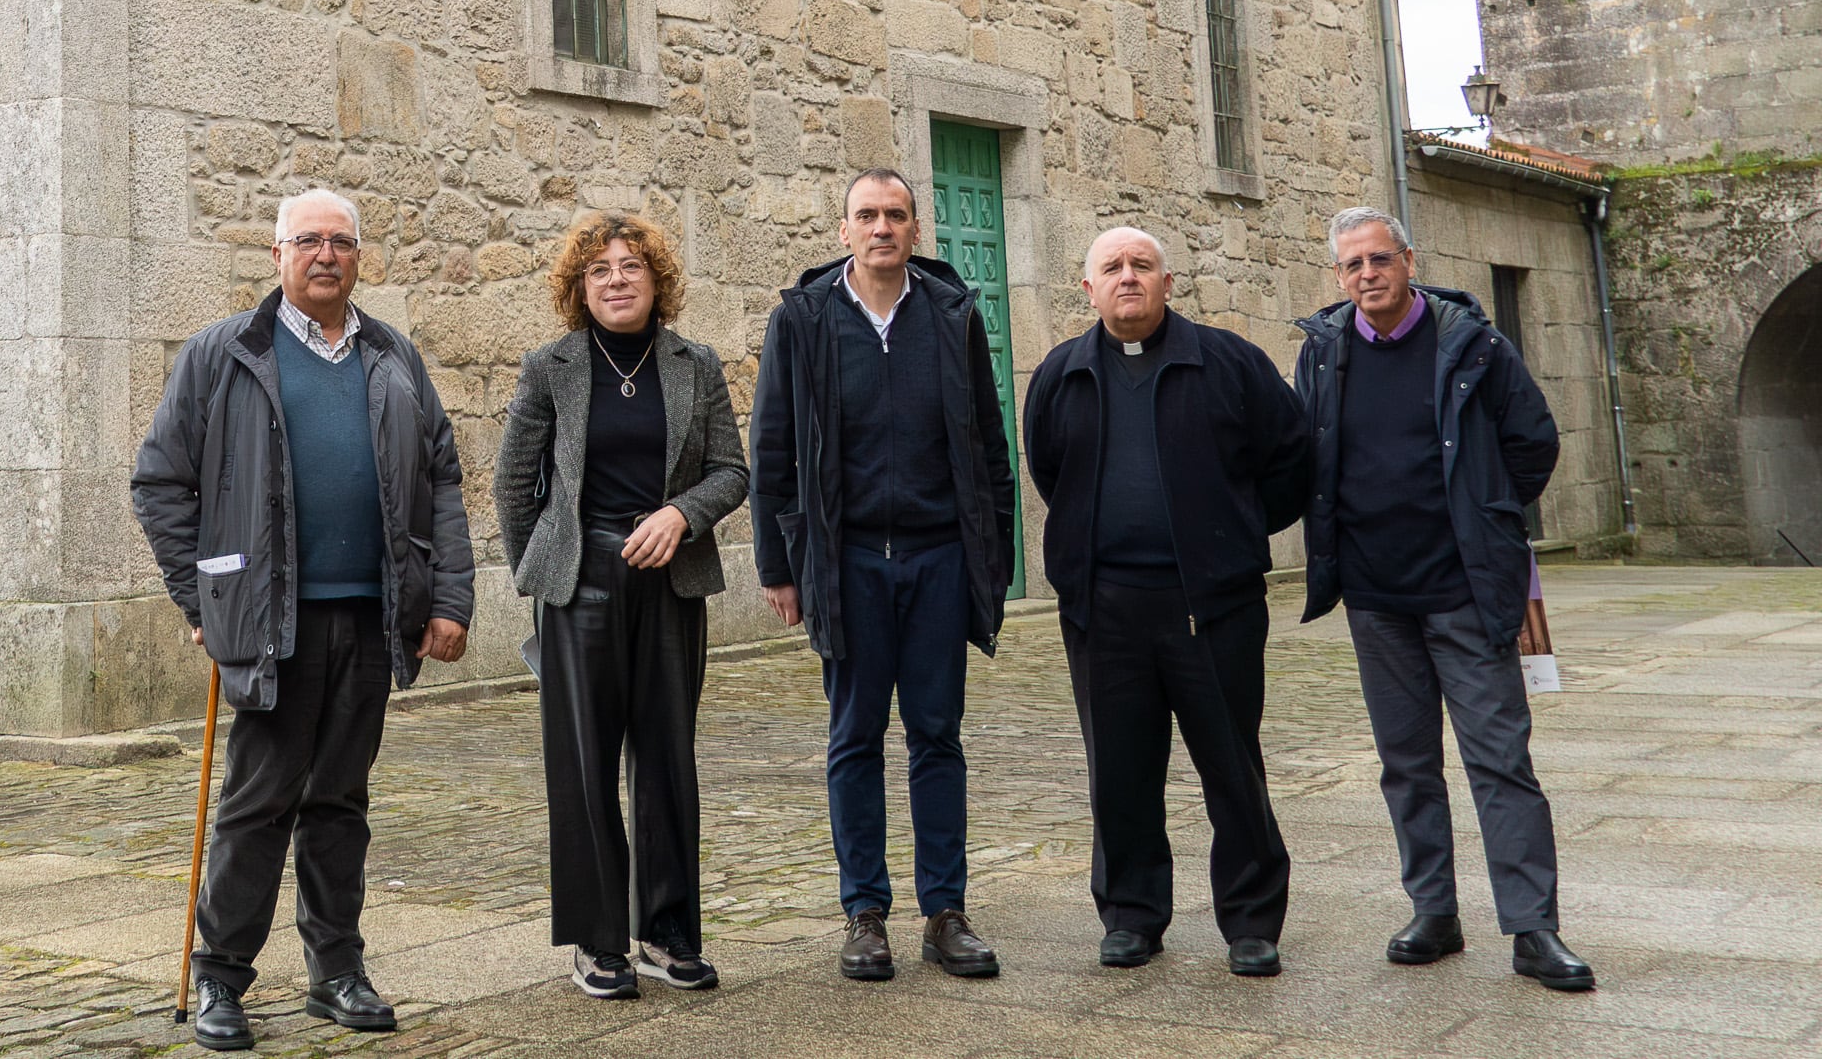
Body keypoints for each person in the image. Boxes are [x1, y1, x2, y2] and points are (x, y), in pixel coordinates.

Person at [132, 188, 476, 1050]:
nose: (327, 254)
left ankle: (337, 972)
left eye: (342, 242)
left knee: (341, 801)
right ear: (278, 253)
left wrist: (449, 598)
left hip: (371, 616)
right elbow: (161, 482)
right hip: (271, 625)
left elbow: (440, 476)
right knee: (258, 802)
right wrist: (203, 599)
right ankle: (221, 977)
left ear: (358, 256)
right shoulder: (226, 352)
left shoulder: (393, 354)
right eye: (309, 240)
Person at [1293, 206, 1595, 991]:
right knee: (1407, 764)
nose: (1367, 274)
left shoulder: (1474, 344)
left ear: (1409, 260)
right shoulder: (1323, 352)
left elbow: (1534, 442)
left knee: (1500, 760)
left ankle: (1533, 927)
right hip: (1375, 597)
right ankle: (1434, 911)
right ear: (1339, 276)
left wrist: (1484, 514)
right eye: (1353, 264)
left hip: (1466, 591)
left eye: (1379, 258)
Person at [1022, 227, 1311, 978]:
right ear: (1088, 289)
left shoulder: (1229, 362)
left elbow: (1290, 459)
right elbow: (1050, 469)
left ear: (1168, 282)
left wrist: (1233, 532)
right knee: (1119, 771)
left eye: (1142, 265)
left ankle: (1251, 921)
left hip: (1212, 607)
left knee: (1233, 768)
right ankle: (1131, 915)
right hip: (1104, 609)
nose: (1128, 277)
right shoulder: (1060, 374)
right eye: (1112, 267)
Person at [750, 167, 1016, 982]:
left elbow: (989, 445)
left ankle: (945, 911)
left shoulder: (952, 313)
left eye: (895, 214)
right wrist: (779, 566)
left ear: (914, 228)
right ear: (844, 231)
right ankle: (865, 912)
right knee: (855, 737)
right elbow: (772, 449)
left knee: (937, 733)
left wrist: (994, 560)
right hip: (849, 559)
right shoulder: (803, 319)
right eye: (866, 215)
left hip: (938, 557)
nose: (881, 228)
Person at [494, 212, 749, 1000]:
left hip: (671, 582)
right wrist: (545, 574)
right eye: (599, 268)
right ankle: (597, 940)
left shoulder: (695, 364)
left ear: (655, 278)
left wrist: (682, 514)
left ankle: (667, 933)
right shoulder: (551, 367)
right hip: (583, 584)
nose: (616, 279)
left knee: (668, 760)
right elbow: (513, 482)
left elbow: (732, 471)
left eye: (631, 265)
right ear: (580, 286)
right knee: (585, 765)